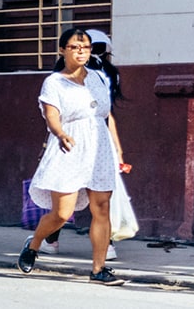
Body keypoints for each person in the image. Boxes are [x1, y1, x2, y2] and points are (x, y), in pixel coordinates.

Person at [18, 29, 125, 283]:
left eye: (86, 47)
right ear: (63, 50)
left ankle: (98, 270)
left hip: (98, 148)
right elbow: (51, 114)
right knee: (62, 214)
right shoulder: (54, 82)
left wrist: (116, 148)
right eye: (75, 47)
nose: (81, 52)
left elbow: (105, 116)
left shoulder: (99, 78)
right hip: (70, 146)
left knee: (102, 208)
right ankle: (33, 244)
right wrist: (60, 133)